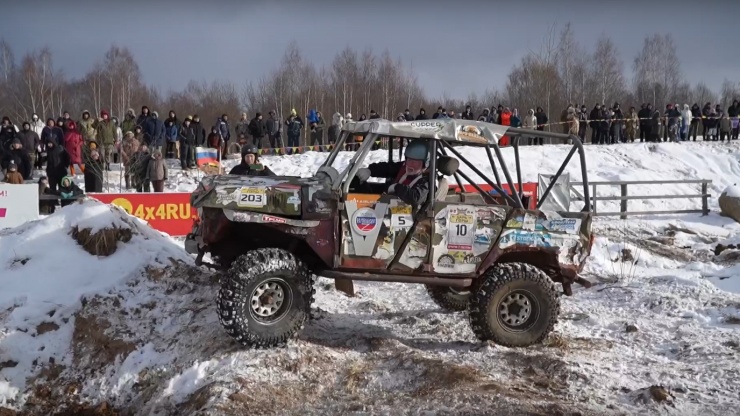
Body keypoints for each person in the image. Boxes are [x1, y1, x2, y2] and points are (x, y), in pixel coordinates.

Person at [353, 140, 430, 206]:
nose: (410, 164)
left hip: (405, 214)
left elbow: (415, 198)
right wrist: (370, 170)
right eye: (409, 160)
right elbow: (388, 168)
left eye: (415, 162)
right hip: (388, 204)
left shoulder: (427, 180)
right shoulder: (404, 167)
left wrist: (396, 187)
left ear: (425, 164)